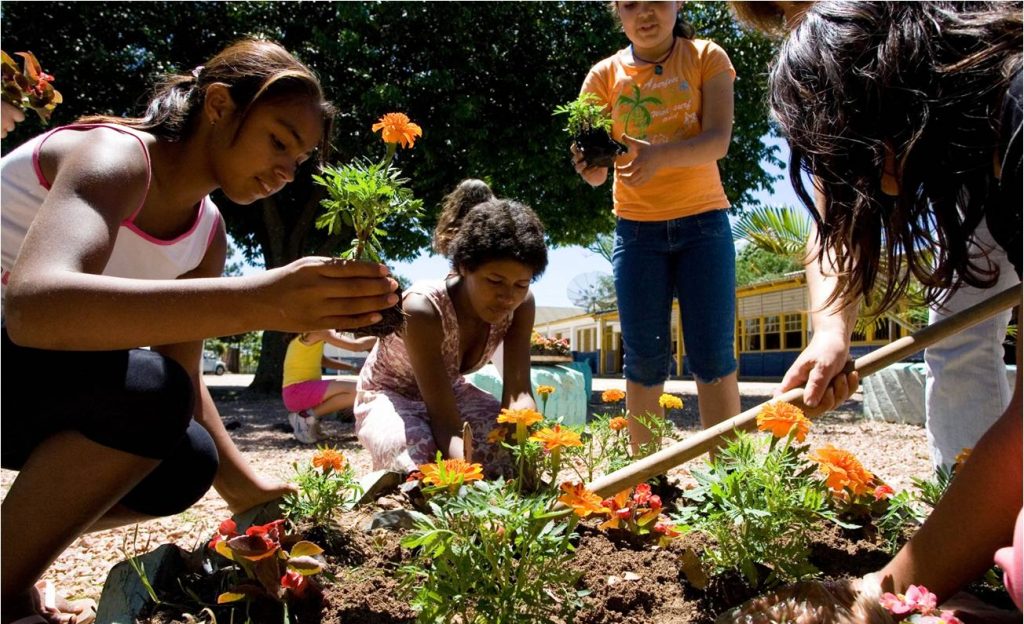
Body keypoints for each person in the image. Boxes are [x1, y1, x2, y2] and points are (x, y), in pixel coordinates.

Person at [0, 38, 399, 624]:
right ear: (218, 105)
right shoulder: (115, 155)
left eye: (299, 160)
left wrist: (249, 493)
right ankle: (2, 591)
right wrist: (256, 300)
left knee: (187, 460)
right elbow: (34, 308)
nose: (287, 170)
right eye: (278, 141)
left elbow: (181, 375)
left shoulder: (205, 231)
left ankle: (9, 563)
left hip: (26, 382)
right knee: (147, 393)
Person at [717, 0, 1022, 624]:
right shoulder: (955, 97)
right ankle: (972, 541)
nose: (878, 192)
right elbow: (834, 218)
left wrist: (884, 594)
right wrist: (831, 331)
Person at [731, 0, 1018, 472]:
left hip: (988, 122)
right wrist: (830, 332)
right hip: (962, 151)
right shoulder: (833, 75)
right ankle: (963, 495)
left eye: (810, 5)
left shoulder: (998, 83)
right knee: (958, 336)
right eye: (787, 18)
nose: (805, 25)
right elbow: (834, 218)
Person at [572, 0, 741, 453]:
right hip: (636, 233)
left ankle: (730, 480)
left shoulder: (707, 57)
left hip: (704, 225)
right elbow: (596, 165)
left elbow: (718, 140)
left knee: (713, 356)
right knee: (643, 360)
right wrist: (590, 170)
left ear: (678, 3)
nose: (644, 14)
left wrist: (658, 156)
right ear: (618, 13)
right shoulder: (602, 77)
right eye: (630, 5)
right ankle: (645, 481)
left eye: (656, 2)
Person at [354, 179, 548, 475]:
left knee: (511, 454)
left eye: (521, 284)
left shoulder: (521, 306)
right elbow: (445, 420)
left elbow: (518, 392)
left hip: (451, 393)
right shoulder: (422, 308)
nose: (508, 296)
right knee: (421, 462)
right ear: (463, 267)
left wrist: (523, 434)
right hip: (391, 394)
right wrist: (466, 474)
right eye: (495, 281)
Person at [282, 330, 376, 444]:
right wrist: (385, 337)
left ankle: (309, 419)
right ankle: (305, 417)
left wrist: (352, 368)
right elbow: (356, 346)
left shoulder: (305, 335)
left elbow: (323, 361)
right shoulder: (319, 331)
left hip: (296, 393)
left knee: (356, 389)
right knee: (358, 389)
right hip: (298, 392)